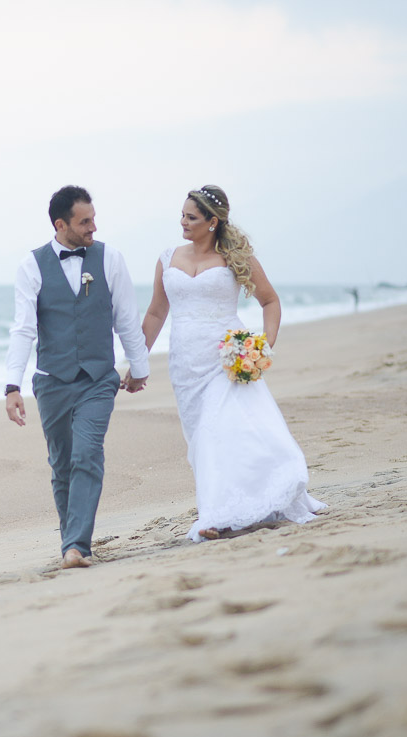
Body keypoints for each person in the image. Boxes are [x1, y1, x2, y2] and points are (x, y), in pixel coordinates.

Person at [131, 185, 324, 541]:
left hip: (228, 358)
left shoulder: (236, 257)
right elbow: (157, 312)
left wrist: (262, 347)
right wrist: (136, 360)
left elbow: (270, 301)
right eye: (182, 215)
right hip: (185, 364)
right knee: (200, 438)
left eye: (191, 217)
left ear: (212, 222)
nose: (183, 223)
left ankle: (214, 516)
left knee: (217, 431)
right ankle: (231, 502)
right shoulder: (167, 257)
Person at [5, 185, 150, 568]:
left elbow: (126, 318)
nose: (93, 227)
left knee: (88, 454)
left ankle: (77, 547)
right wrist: (12, 385)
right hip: (52, 380)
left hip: (98, 379)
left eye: (94, 218)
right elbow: (23, 329)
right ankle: (71, 540)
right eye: (84, 221)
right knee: (63, 463)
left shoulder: (111, 259)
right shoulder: (31, 266)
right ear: (60, 224)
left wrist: (139, 367)